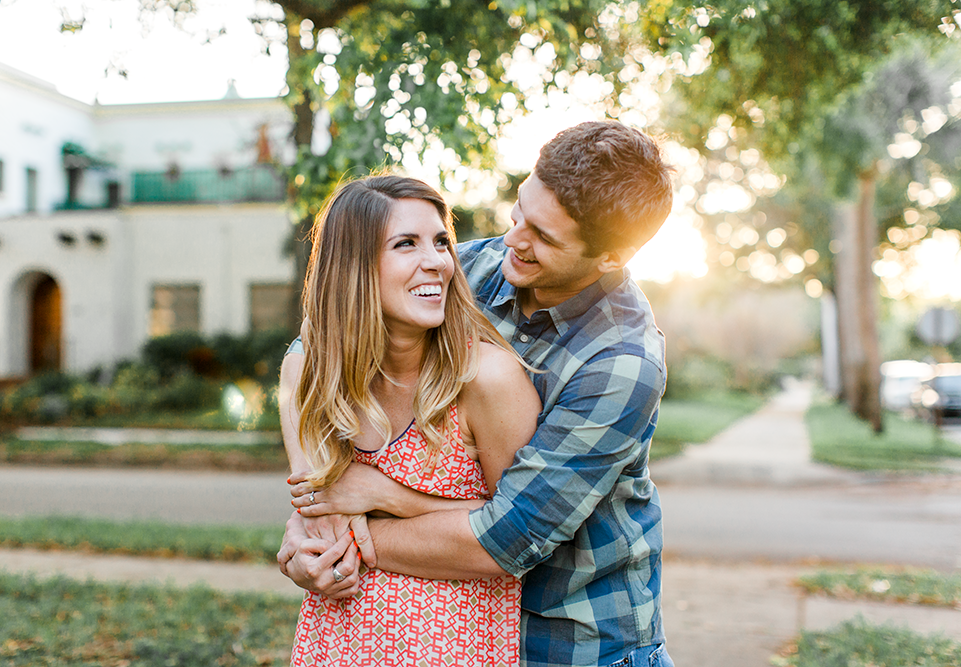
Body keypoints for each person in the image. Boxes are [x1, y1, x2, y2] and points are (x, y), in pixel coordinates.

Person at [280, 120, 676, 667]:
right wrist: (311, 514)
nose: (513, 239)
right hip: (449, 627)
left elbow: (507, 537)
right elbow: (313, 348)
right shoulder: (474, 267)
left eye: (544, 237)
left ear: (611, 258)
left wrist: (357, 523)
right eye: (520, 212)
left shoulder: (621, 362)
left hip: (577, 641)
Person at [280, 174, 541, 667]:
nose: (438, 262)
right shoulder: (314, 374)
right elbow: (317, 515)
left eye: (442, 241)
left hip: (454, 649)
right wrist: (301, 552)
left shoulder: (486, 379)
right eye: (407, 244)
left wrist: (384, 496)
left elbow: (517, 537)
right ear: (353, 268)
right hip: (333, 646)